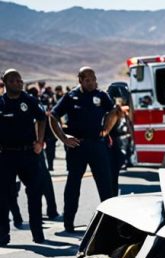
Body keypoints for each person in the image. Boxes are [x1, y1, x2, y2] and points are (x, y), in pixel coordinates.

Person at [49, 67, 117, 233]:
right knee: (73, 185)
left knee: (106, 185)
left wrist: (106, 130)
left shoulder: (101, 95)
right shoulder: (71, 96)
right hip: (77, 146)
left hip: (97, 145)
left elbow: (114, 111)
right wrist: (64, 138)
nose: (92, 82)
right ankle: (68, 222)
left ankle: (111, 223)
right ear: (80, 80)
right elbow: (53, 116)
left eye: (94, 78)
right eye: (87, 80)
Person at [0, 69, 47, 245]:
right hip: (5, 155)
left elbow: (42, 119)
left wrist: (40, 142)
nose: (18, 83)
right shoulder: (1, 103)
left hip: (28, 153)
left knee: (34, 193)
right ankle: (3, 235)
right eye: (13, 80)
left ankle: (38, 234)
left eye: (20, 80)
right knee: (3, 196)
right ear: (5, 83)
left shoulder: (29, 100)